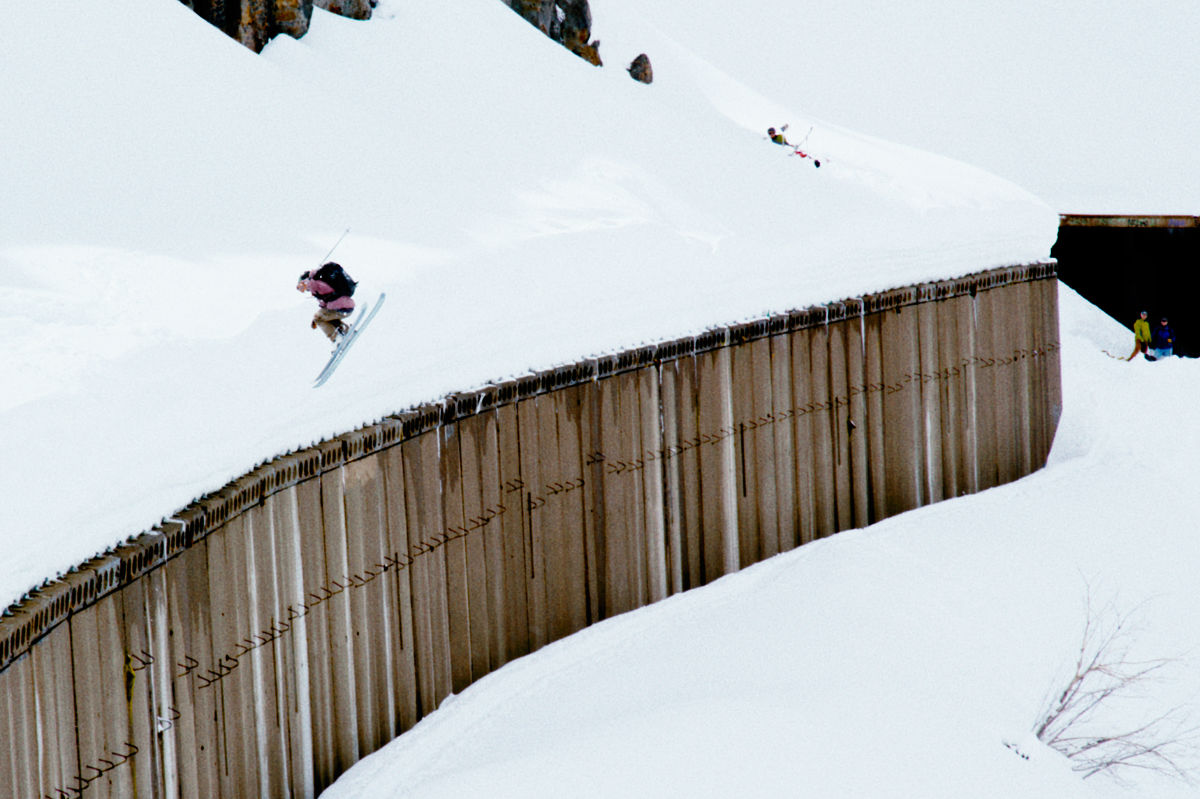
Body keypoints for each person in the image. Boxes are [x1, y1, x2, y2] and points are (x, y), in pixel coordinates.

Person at [297, 262, 357, 344]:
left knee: (318, 317)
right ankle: (345, 332)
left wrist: (304, 284)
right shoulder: (320, 283)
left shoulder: (314, 282)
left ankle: (337, 339)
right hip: (346, 307)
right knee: (325, 318)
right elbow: (324, 305)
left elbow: (310, 283)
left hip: (339, 307)